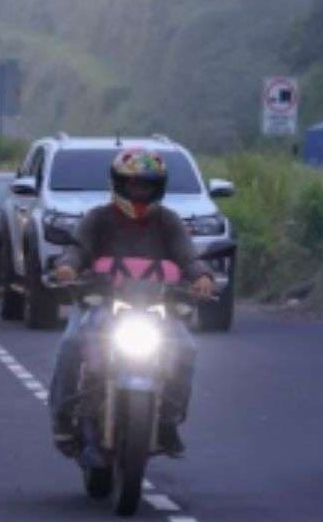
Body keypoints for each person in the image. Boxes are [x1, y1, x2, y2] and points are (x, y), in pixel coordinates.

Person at [47, 147, 216, 461]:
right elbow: (77, 249)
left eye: (147, 185)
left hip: (154, 309)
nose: (140, 191)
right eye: (134, 184)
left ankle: (167, 419)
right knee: (71, 344)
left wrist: (202, 276)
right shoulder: (98, 218)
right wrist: (68, 267)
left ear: (159, 187)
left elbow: (188, 255)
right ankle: (63, 418)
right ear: (119, 184)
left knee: (186, 348)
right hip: (101, 304)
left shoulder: (168, 221)